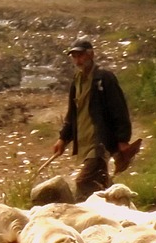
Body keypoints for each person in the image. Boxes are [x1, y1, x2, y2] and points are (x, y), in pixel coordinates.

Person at [49, 37, 138, 199]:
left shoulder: (104, 79)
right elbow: (73, 114)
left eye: (81, 55)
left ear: (91, 55)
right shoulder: (76, 81)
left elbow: (119, 109)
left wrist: (123, 139)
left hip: (99, 142)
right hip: (84, 142)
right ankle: (118, 203)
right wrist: (63, 138)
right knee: (100, 182)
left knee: (84, 182)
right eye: (74, 57)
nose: (78, 60)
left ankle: (84, 215)